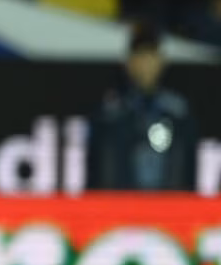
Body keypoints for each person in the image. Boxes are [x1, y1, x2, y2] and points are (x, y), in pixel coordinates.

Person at [85, 22, 199, 191]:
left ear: (161, 61)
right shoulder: (109, 117)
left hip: (169, 205)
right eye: (140, 55)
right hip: (121, 205)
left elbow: (187, 173)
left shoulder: (179, 114)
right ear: (129, 62)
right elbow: (99, 175)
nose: (146, 63)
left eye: (151, 55)